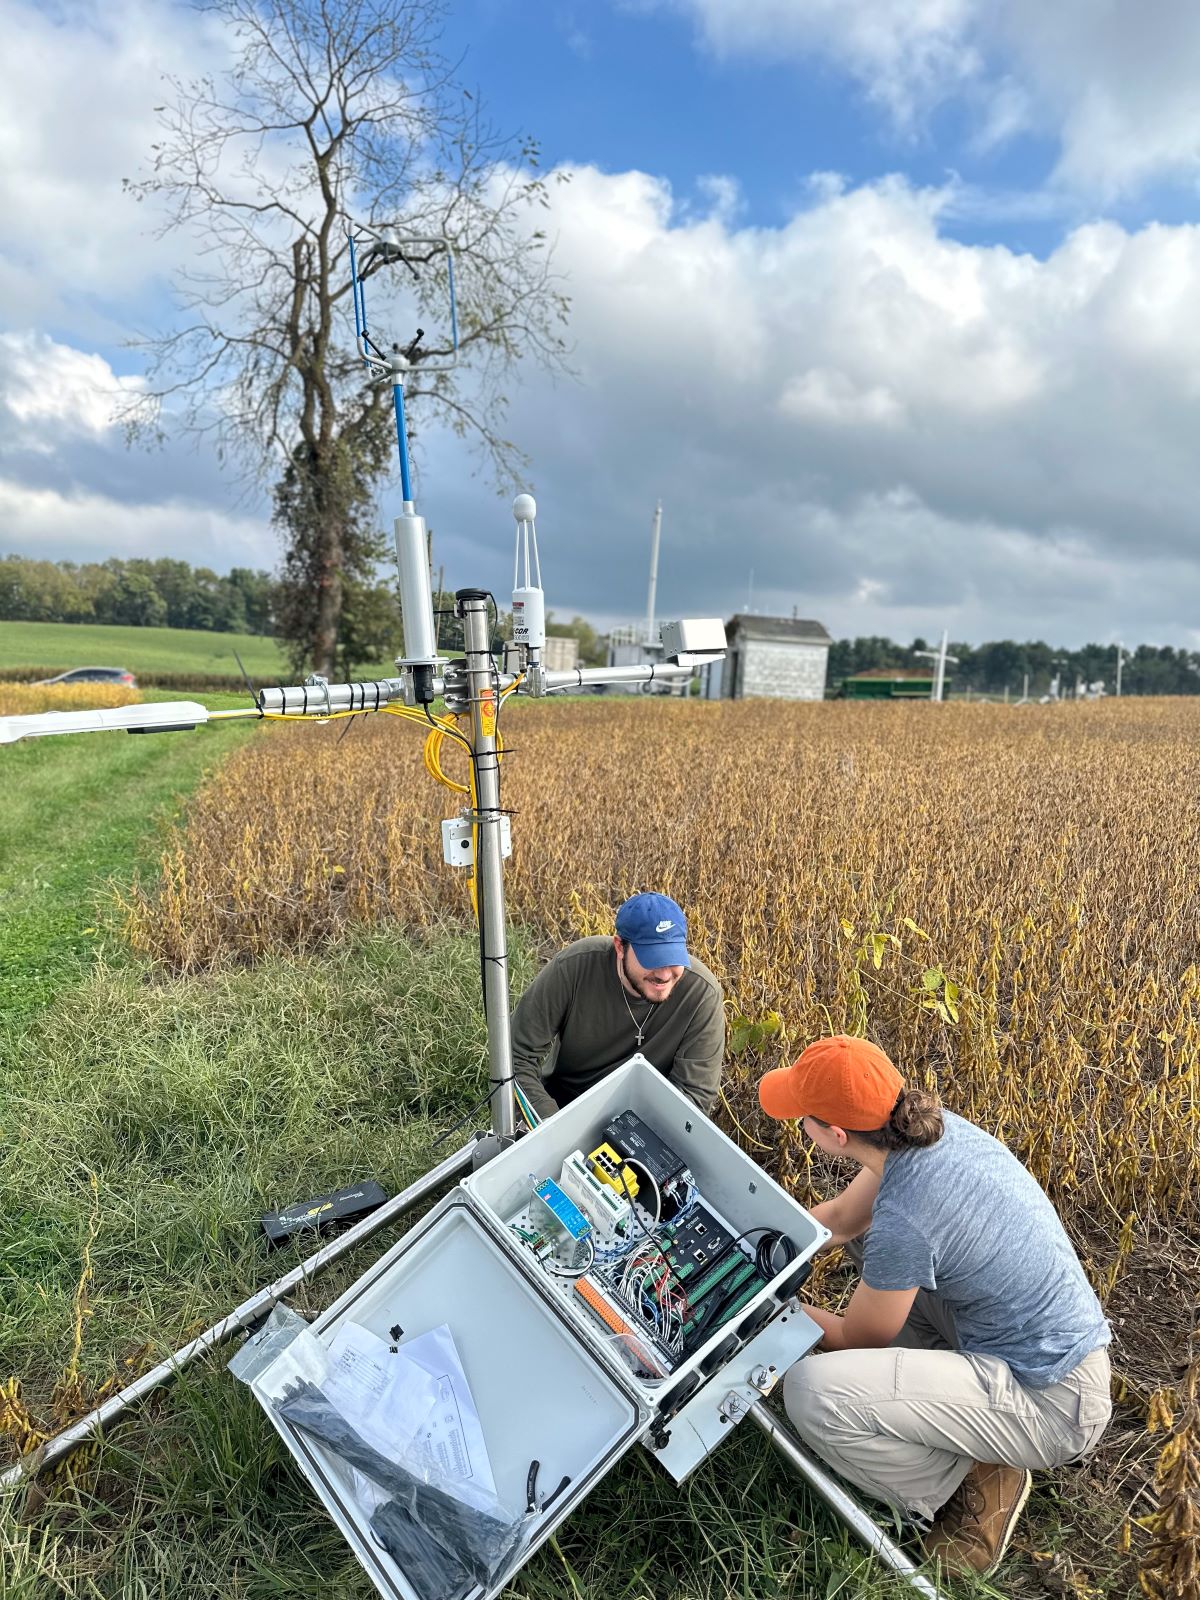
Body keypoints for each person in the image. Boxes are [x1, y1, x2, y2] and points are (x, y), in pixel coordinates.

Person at [757, 1035, 1112, 1579]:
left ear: (835, 1135)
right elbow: (843, 1220)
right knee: (869, 1246)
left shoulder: (909, 1212)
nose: (798, 1127)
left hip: (1054, 1401)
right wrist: (753, 1241)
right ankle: (951, 1409)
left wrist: (764, 1308)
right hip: (1025, 1340)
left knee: (812, 1393)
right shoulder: (929, 1133)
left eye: (802, 1118)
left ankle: (966, 1480)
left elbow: (857, 1338)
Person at [511, 892, 724, 1119]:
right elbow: (516, 1055)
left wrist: (634, 1140)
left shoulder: (702, 995)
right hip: (564, 1107)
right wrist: (549, 1124)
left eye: (672, 957)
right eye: (651, 958)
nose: (664, 975)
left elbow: (692, 1096)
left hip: (646, 1124)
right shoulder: (575, 966)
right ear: (620, 947)